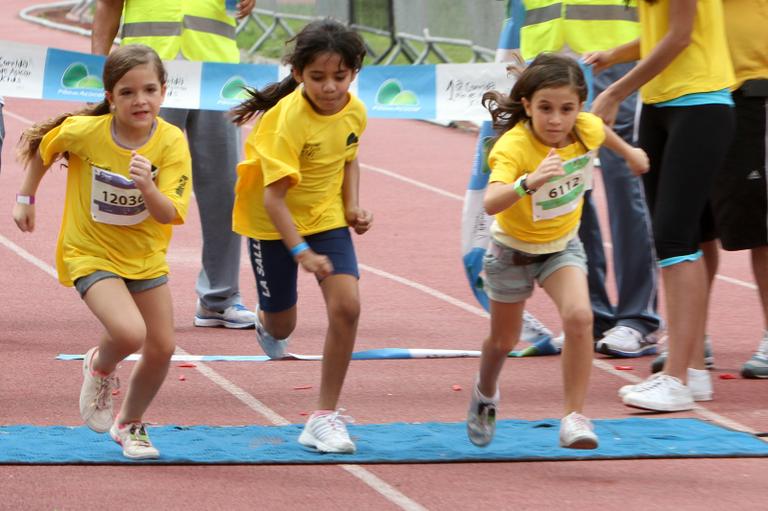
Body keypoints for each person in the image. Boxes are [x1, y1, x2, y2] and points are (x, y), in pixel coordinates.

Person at [13, 45, 192, 459]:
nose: (140, 100)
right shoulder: (84, 131)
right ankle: (100, 364)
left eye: (149, 90)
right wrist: (26, 197)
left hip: (145, 256)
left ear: (164, 91)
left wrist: (147, 185)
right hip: (89, 251)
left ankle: (129, 424)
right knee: (131, 333)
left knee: (163, 347)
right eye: (127, 92)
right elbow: (45, 148)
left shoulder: (171, 143)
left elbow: (170, 214)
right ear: (110, 97)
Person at [466, 53, 649, 450]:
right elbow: (492, 201)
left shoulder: (584, 129)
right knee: (503, 340)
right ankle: (485, 390)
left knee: (580, 317)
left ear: (579, 108)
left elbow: (600, 130)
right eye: (545, 108)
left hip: (561, 247)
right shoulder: (513, 146)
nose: (555, 120)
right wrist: (528, 183)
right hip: (511, 251)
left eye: (566, 109)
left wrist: (629, 153)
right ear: (527, 105)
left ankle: (574, 416)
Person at [229, 19, 371, 453]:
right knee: (281, 325)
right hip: (272, 224)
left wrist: (352, 206)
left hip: (325, 218)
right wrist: (301, 252)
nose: (330, 88)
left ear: (353, 73)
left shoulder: (355, 110)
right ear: (297, 75)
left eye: (340, 77)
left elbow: (349, 158)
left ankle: (324, 417)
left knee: (347, 307)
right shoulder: (284, 121)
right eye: (317, 77)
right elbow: (274, 201)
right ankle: (266, 317)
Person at [587, 0, 735, 410]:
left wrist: (617, 89)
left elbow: (681, 36)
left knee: (675, 240)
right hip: (660, 106)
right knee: (678, 239)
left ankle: (677, 379)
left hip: (700, 103)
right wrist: (614, 55)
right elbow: (660, 32)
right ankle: (693, 373)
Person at [92, 0, 257, 329]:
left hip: (216, 74)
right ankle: (123, 287)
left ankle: (219, 298)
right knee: (134, 183)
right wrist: (100, 76)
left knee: (224, 189)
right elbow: (108, 7)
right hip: (147, 75)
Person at [514, 0, 661, 356]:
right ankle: (593, 315)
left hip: (612, 54)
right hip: (545, 56)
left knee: (625, 184)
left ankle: (637, 319)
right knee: (565, 190)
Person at [715, 0, 768, 379]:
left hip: (753, 89)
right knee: (693, 224)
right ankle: (690, 337)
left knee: (761, 226)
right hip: (702, 92)